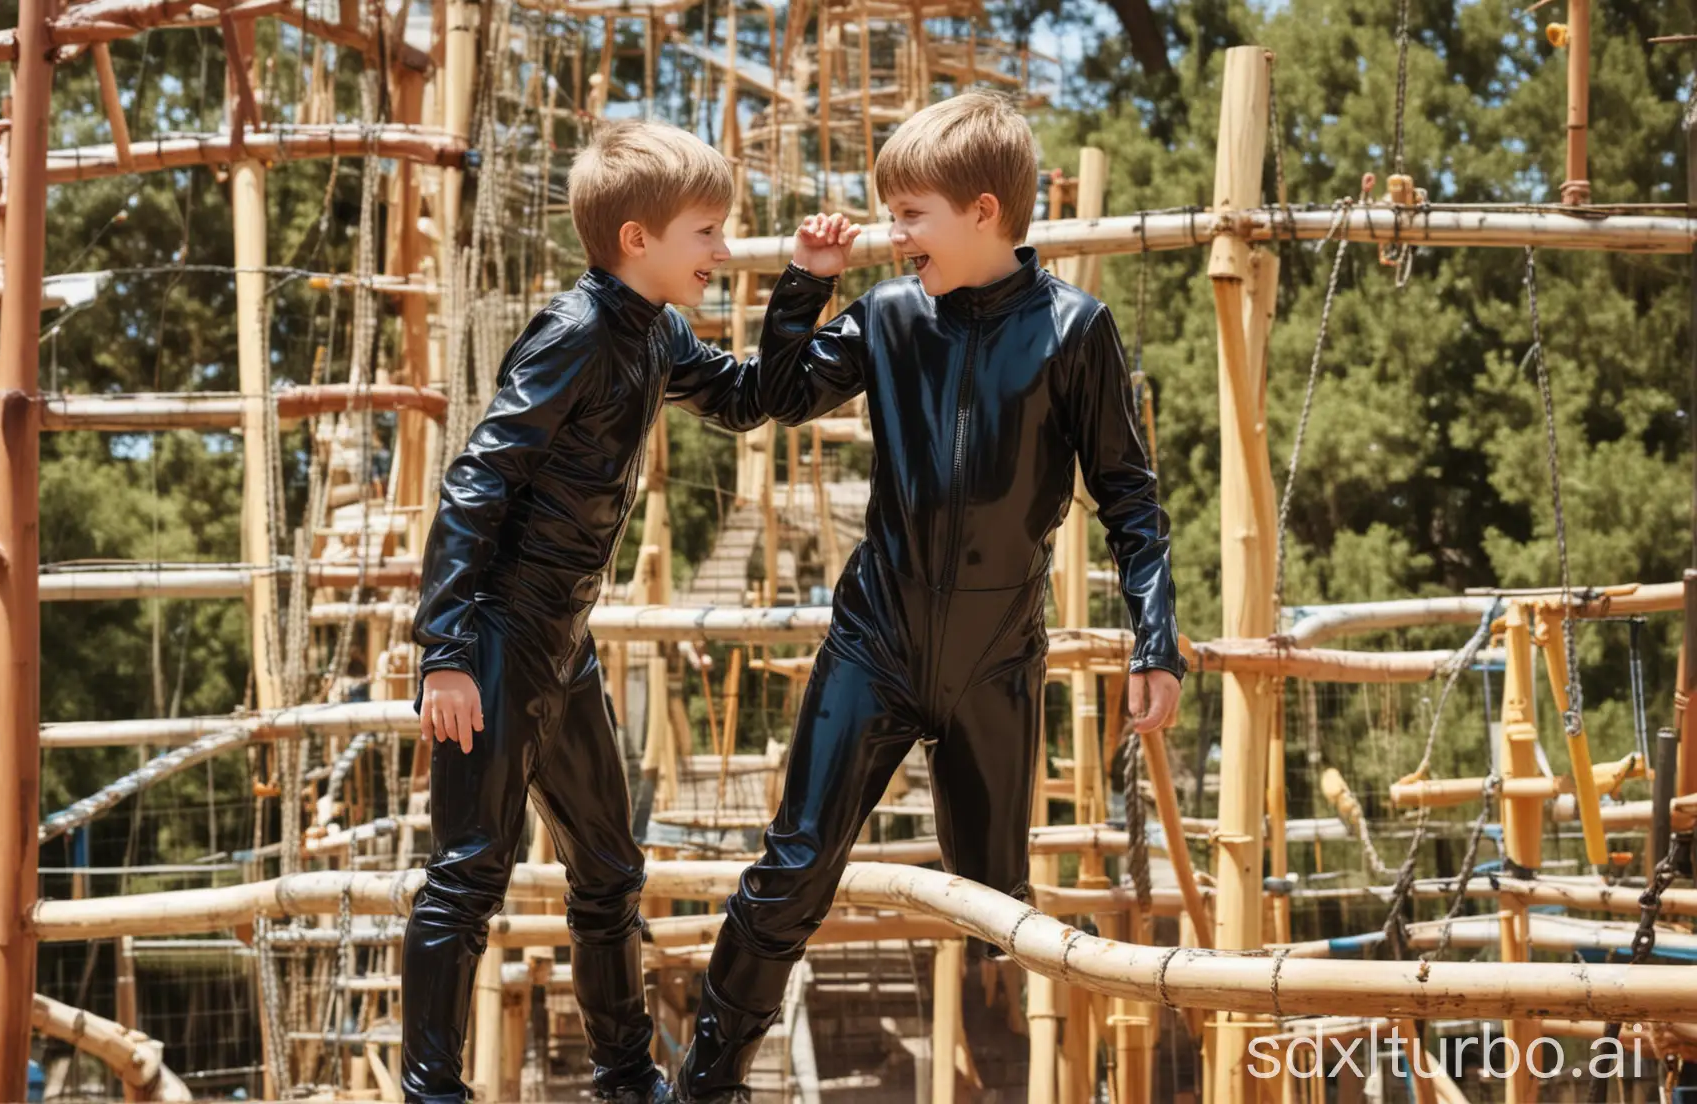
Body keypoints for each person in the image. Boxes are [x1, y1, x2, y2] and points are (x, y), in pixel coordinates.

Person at [673, 92, 1187, 1102]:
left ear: (984, 210)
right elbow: (775, 399)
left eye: (911, 215)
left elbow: (1130, 498)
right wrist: (802, 288)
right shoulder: (887, 316)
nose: (892, 236)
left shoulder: (1077, 331)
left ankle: (1015, 1084)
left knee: (998, 904)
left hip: (997, 660)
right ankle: (706, 1082)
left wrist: (1155, 643)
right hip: (877, 644)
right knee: (791, 871)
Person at [404, 119, 859, 1104]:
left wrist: (805, 283)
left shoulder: (656, 331)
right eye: (706, 231)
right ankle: (432, 1093)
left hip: (561, 646)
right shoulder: (574, 332)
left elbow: (750, 399)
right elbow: (476, 482)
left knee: (608, 865)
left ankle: (624, 1078)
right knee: (471, 873)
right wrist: (444, 650)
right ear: (637, 241)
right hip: (493, 638)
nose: (722, 248)